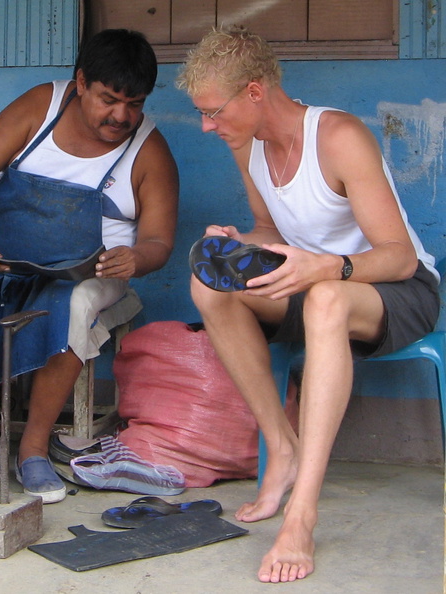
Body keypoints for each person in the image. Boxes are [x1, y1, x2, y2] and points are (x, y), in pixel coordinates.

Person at [177, 27, 440, 583]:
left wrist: (330, 268)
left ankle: (302, 514)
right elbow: (270, 230)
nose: (206, 125)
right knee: (209, 285)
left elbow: (397, 257)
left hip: (395, 291)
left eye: (212, 111)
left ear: (253, 92)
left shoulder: (338, 136)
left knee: (324, 301)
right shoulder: (246, 145)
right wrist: (236, 243)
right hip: (314, 282)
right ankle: (282, 445)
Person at [0, 29, 179, 504]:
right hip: (2, 260)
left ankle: (31, 449)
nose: (121, 116)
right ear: (79, 83)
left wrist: (135, 258)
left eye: (134, 104)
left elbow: (160, 242)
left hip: (89, 274)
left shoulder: (149, 152)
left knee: (70, 303)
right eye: (108, 99)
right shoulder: (41, 107)